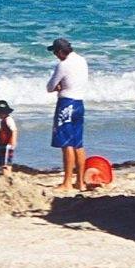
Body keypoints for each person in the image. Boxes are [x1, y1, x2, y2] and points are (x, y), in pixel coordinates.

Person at [46, 36, 91, 191]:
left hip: (66, 103)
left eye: (55, 53)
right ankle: (80, 181)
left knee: (66, 144)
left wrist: (59, 86)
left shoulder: (63, 65)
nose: (55, 56)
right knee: (78, 143)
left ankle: (67, 182)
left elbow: (50, 87)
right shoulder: (82, 60)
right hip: (79, 103)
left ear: (60, 51)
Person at [0, 100, 19, 173]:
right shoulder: (4, 120)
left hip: (8, 145)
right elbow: (3, 133)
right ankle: (3, 173)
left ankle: (7, 174)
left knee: (6, 162)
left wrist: (13, 141)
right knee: (1, 161)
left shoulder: (9, 120)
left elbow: (14, 130)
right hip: (3, 144)